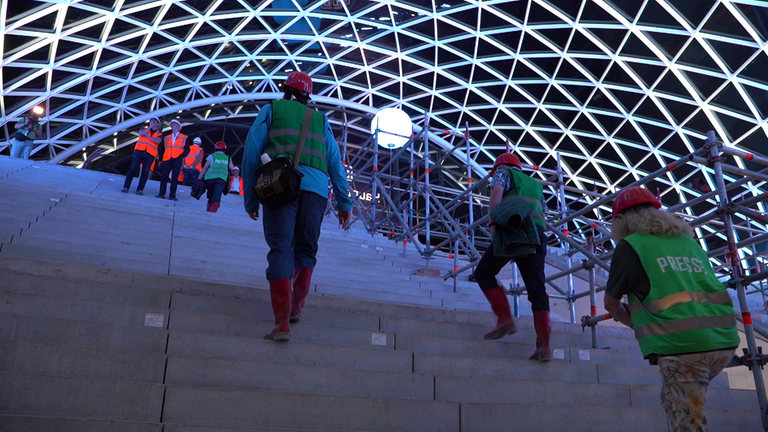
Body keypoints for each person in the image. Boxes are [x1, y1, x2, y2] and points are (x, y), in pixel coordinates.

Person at [604, 187, 739, 432]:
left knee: (688, 423)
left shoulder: (630, 245)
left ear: (621, 220)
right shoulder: (688, 242)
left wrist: (638, 323)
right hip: (724, 340)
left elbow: (611, 305)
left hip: (684, 347)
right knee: (672, 400)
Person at [243, 71, 352, 342]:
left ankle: (282, 323)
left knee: (281, 248)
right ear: (307, 96)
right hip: (315, 192)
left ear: (286, 90)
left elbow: (251, 152)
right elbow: (336, 163)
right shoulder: (320, 119)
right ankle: (297, 308)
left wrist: (251, 197)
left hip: (281, 186)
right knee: (306, 249)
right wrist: (344, 201)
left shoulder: (272, 109)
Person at [473, 152, 552, 362]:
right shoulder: (536, 184)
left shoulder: (502, 173)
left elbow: (496, 193)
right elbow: (543, 214)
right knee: (537, 289)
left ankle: (505, 319)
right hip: (537, 236)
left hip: (513, 232)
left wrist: (493, 224)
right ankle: (544, 346)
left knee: (483, 272)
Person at [123, 117, 161, 194]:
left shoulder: (159, 134)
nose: (153, 121)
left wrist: (147, 136)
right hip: (139, 151)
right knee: (132, 169)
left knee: (145, 172)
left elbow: (157, 141)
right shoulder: (144, 128)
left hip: (149, 154)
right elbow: (141, 133)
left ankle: (140, 189)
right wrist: (149, 127)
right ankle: (126, 187)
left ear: (158, 124)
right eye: (151, 120)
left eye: (155, 121)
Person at [198, 141, 236, 213]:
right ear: (224, 149)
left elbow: (205, 167)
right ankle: (213, 212)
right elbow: (232, 168)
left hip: (209, 178)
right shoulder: (228, 158)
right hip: (221, 179)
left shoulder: (211, 156)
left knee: (210, 196)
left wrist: (199, 177)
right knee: (216, 197)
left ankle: (208, 210)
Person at [156, 119, 188, 201]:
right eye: (171, 124)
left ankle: (172, 195)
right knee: (164, 176)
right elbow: (161, 149)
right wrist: (160, 159)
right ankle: (161, 194)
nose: (172, 125)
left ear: (178, 126)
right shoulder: (167, 137)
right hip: (167, 159)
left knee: (175, 177)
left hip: (177, 159)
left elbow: (187, 149)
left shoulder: (184, 137)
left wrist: (181, 157)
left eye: (174, 124)